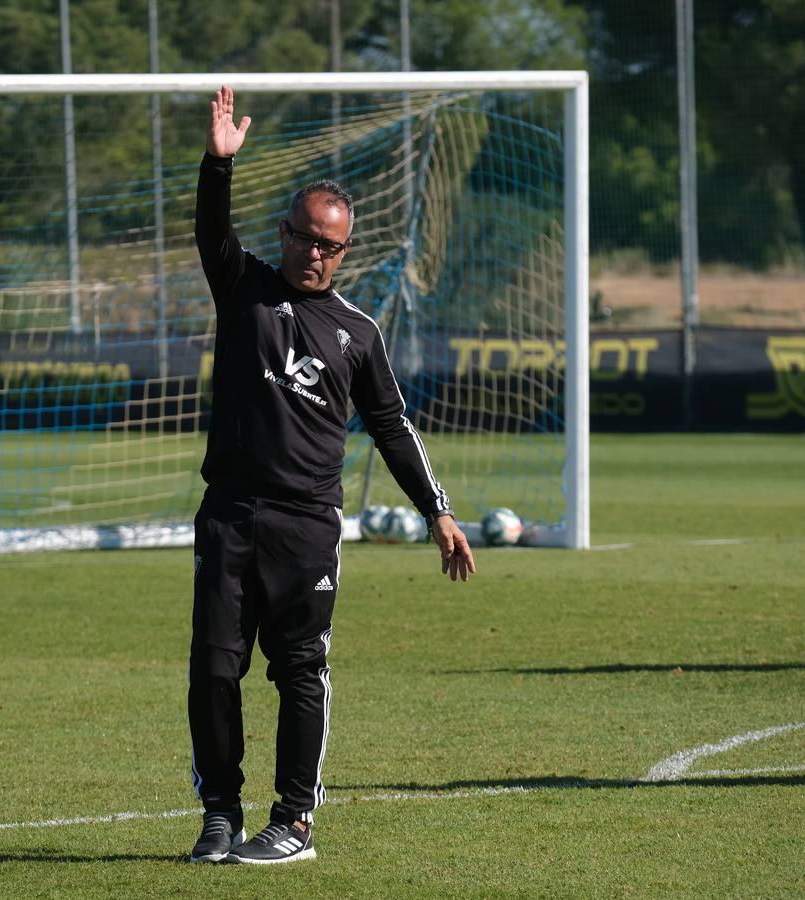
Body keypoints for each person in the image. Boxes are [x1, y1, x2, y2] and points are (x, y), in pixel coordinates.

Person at [187, 85, 475, 866]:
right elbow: (212, 231)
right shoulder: (242, 287)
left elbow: (391, 426)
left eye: (331, 246)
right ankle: (219, 813)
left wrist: (436, 511)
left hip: (306, 526)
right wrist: (220, 166)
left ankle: (294, 824)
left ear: (347, 251)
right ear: (284, 234)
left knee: (299, 673)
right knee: (215, 667)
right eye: (307, 238)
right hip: (229, 514)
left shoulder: (358, 332)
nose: (317, 253)